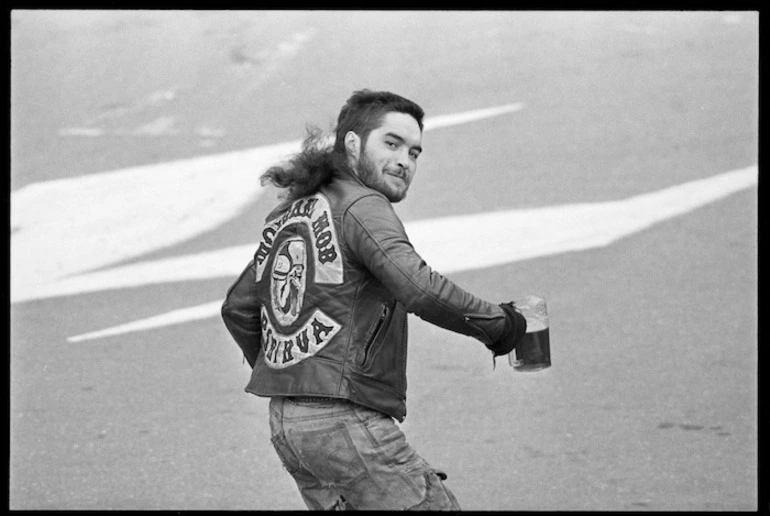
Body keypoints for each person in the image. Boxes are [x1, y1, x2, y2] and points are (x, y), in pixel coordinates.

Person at [221, 89, 527, 510]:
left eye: (415, 152)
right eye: (392, 143)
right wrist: (502, 326)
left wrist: (289, 371)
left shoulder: (294, 211)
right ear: (351, 144)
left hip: (288, 424)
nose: (405, 160)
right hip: (343, 423)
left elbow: (237, 307)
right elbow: (416, 285)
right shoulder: (363, 205)